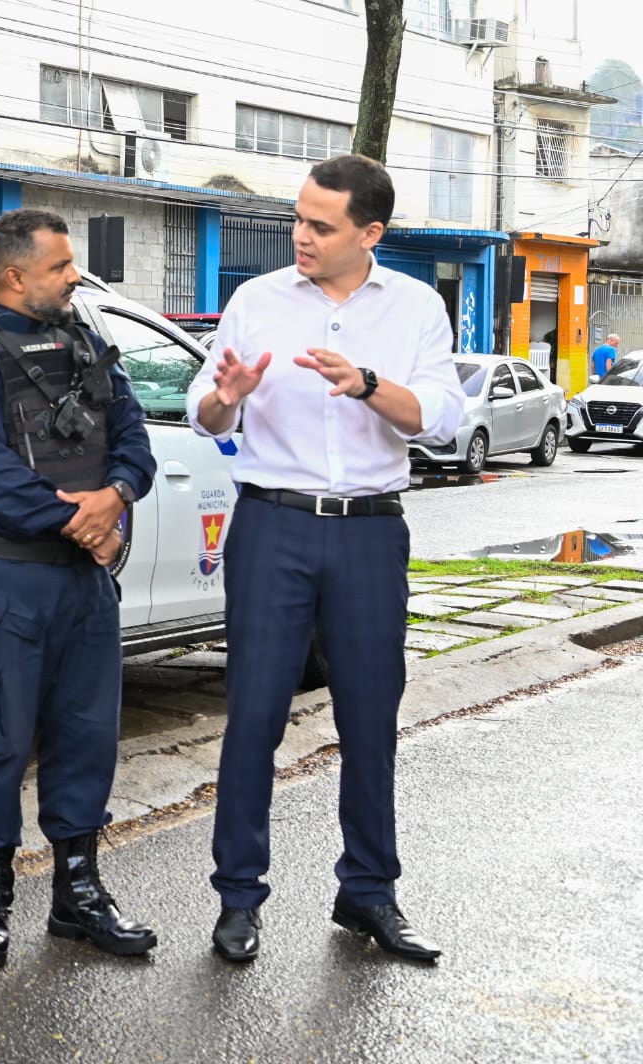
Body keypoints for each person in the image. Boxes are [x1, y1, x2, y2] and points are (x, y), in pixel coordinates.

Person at [185, 154, 465, 964]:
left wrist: (369, 383)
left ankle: (368, 893)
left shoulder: (414, 307)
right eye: (297, 220)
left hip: (372, 531)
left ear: (369, 233)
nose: (299, 236)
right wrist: (226, 396)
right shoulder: (256, 300)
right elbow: (206, 414)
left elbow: (442, 418)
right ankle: (239, 898)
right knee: (255, 718)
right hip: (273, 525)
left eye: (320, 225)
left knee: (372, 719)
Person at [0, 208, 158, 968]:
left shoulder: (88, 340)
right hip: (11, 580)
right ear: (15, 275)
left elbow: (135, 442)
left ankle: (79, 896)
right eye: (61, 267)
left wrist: (115, 495)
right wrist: (84, 520)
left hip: (86, 586)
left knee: (87, 739)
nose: (74, 277)